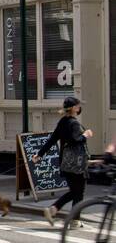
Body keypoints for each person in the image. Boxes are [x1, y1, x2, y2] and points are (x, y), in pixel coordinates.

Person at [34, 96, 93, 226]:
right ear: (73, 108)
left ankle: (53, 209)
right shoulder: (74, 123)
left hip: (65, 163)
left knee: (74, 191)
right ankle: (75, 220)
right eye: (78, 106)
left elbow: (52, 140)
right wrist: (85, 135)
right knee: (79, 193)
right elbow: (75, 140)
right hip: (77, 164)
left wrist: (39, 154)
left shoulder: (62, 122)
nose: (79, 108)